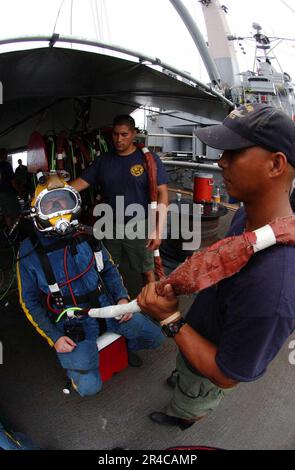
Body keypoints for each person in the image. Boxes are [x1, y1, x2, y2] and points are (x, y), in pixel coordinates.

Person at [137, 103, 295, 429]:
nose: (220, 161)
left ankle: (184, 417)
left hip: (209, 361)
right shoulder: (247, 217)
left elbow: (226, 376)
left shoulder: (273, 288)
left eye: (233, 152)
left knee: (195, 393)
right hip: (199, 332)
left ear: (275, 164)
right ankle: (184, 379)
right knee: (186, 372)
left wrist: (170, 320)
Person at [17, 172, 164, 397]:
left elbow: (109, 270)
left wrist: (122, 299)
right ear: (37, 211)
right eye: (51, 205)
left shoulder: (87, 234)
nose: (60, 211)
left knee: (156, 338)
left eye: (63, 202)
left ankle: (123, 347)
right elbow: (29, 302)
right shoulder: (29, 252)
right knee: (89, 389)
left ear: (73, 203)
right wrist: (54, 337)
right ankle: (80, 369)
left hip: (108, 308)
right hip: (72, 324)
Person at [70, 114, 169, 285]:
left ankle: (152, 304)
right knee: (108, 267)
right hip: (110, 225)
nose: (119, 139)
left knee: (147, 270)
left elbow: (163, 193)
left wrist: (157, 231)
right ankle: (113, 302)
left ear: (134, 134)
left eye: (124, 134)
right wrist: (54, 191)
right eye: (115, 134)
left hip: (140, 224)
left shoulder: (148, 160)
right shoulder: (104, 161)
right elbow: (80, 183)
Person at [0, 149, 21, 228]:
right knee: (17, 213)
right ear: (3, 155)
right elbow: (12, 180)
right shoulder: (6, 165)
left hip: (1, 194)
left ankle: (11, 232)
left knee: (7, 214)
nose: (6, 155)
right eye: (5, 154)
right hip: (8, 193)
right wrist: (19, 191)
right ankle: (15, 231)